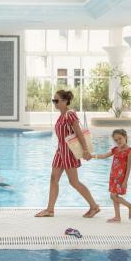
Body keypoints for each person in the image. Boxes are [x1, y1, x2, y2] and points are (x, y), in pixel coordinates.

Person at [35, 90, 100, 218]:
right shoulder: (61, 116)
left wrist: (85, 150)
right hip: (60, 152)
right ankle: (50, 210)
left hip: (69, 153)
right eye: (53, 100)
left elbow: (79, 133)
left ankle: (94, 206)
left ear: (65, 101)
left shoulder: (70, 115)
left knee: (74, 182)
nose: (54, 103)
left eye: (56, 100)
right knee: (53, 179)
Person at [92, 129, 131, 223]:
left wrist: (125, 181)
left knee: (113, 196)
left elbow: (128, 168)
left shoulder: (129, 151)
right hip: (113, 177)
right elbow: (104, 156)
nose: (118, 141)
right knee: (114, 195)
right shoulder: (116, 150)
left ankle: (130, 206)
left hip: (121, 178)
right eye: (116, 140)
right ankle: (117, 217)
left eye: (120, 138)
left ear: (125, 137)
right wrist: (92, 156)